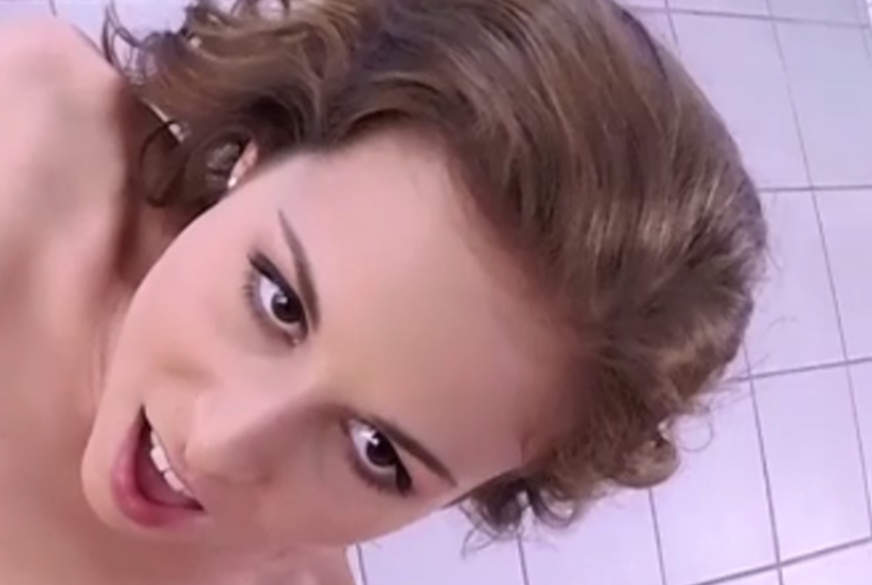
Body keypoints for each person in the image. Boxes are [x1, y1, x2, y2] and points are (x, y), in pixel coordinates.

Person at [0, 0, 766, 583]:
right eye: (279, 301)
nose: (218, 443)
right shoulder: (23, 139)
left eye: (377, 451)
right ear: (258, 157)